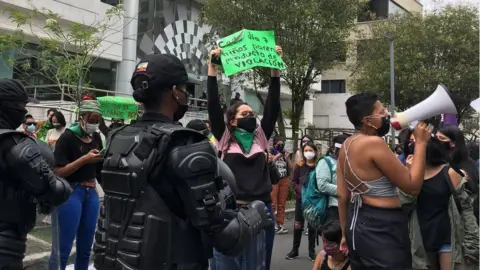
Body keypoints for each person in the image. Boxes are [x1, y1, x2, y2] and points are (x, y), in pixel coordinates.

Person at [93, 53, 272, 270]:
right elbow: (224, 238)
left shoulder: (116, 139)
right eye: (184, 89)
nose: (185, 95)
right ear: (175, 92)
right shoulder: (186, 145)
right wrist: (255, 214)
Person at [207, 46, 282, 270]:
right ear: (232, 121)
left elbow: (273, 106)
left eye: (252, 114)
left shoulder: (260, 137)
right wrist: (212, 67)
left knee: (259, 264)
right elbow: (212, 105)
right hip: (231, 212)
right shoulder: (224, 138)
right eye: (245, 114)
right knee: (229, 265)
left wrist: (274, 70)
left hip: (261, 210)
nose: (251, 117)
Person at [337, 92, 431, 269]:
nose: (387, 114)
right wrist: (421, 143)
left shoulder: (346, 146)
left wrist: (344, 233)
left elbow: (342, 195)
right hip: (382, 227)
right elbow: (412, 187)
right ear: (368, 121)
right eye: (381, 112)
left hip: (356, 225)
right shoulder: (373, 143)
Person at [0, 79, 71, 269]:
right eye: (22, 105)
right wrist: (61, 184)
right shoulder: (13, 144)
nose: (24, 111)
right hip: (6, 241)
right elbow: (55, 191)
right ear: (8, 106)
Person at [400, 129, 479, 269]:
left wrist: (472, 243)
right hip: (419, 240)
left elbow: (466, 208)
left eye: (419, 142)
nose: (414, 146)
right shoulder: (404, 172)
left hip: (447, 237)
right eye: (412, 142)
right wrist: (410, 173)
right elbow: (403, 204)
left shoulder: (449, 172)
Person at [48, 98, 105, 270]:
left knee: (86, 248)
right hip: (71, 192)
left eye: (97, 120)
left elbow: (100, 169)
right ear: (82, 117)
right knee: (62, 249)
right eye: (91, 120)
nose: (94, 124)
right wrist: (84, 160)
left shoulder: (95, 137)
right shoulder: (67, 137)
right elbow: (58, 172)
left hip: (91, 192)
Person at [286, 141, 318, 261]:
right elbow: (293, 182)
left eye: (310, 150)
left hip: (314, 201)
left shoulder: (319, 165)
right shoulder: (299, 165)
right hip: (301, 200)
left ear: (315, 152)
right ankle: (295, 250)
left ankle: (311, 251)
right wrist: (302, 190)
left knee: (312, 226)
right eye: (306, 150)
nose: (308, 153)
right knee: (298, 225)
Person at [316, 134, 348, 224]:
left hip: (348, 206)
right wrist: (344, 191)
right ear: (334, 149)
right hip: (333, 208)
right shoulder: (326, 162)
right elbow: (322, 185)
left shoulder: (348, 162)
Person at [270, 137, 293, 235]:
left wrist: (287, 158)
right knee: (273, 203)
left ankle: (280, 224)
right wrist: (277, 155)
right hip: (274, 180)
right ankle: (272, 224)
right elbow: (270, 163)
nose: (280, 146)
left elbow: (291, 168)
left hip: (284, 179)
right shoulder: (271, 152)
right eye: (278, 144)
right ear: (274, 144)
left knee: (282, 203)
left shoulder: (285, 154)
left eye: (282, 144)